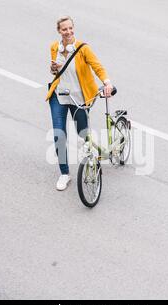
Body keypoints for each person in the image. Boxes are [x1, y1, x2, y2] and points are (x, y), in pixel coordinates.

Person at [46, 16, 113, 191]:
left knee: (83, 133)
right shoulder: (55, 47)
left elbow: (97, 66)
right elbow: (55, 71)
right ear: (59, 31)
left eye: (70, 28)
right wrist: (53, 69)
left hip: (80, 98)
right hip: (59, 96)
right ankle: (64, 174)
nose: (67, 32)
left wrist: (106, 82)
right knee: (58, 134)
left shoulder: (83, 49)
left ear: (73, 28)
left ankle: (92, 153)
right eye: (63, 29)